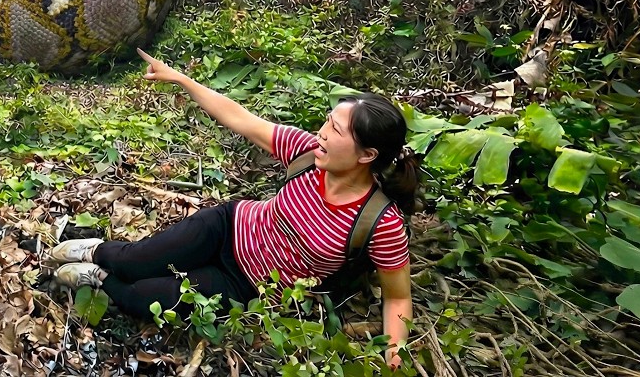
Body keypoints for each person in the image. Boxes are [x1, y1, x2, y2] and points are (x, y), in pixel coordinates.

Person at [48, 48, 420, 369]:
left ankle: (97, 277)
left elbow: (398, 296)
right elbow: (240, 117)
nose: (322, 132)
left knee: (140, 297)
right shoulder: (305, 151)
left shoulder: (378, 222)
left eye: (336, 131)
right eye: (328, 121)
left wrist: (394, 349)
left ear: (367, 155)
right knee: (132, 260)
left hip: (245, 285)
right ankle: (96, 249)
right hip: (227, 227)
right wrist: (182, 79)